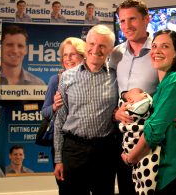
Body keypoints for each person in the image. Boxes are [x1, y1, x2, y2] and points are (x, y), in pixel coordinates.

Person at [109, 0, 176, 195]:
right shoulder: (115, 54)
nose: (127, 26)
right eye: (122, 21)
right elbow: (112, 95)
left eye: (132, 19)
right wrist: (115, 112)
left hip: (158, 155)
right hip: (126, 145)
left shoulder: (162, 54)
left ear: (147, 19)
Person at [122, 29, 176, 195]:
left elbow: (154, 130)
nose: (156, 51)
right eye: (154, 46)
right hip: (159, 175)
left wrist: (131, 158)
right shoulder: (161, 88)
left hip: (175, 175)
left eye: (165, 46)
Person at [53, 24, 118, 195]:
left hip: (104, 151)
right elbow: (60, 120)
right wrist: (58, 160)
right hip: (73, 150)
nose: (95, 49)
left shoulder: (116, 77)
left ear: (110, 49)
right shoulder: (67, 77)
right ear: (86, 44)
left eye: (102, 45)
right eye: (92, 44)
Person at [41, 37, 86, 195]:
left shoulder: (92, 79)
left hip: (86, 143)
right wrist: (55, 106)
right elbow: (45, 111)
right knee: (66, 188)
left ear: (83, 56)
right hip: (62, 142)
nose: (68, 59)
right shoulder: (56, 80)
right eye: (65, 55)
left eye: (72, 54)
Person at [119, 88, 160, 195]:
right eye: (141, 93)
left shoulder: (142, 104)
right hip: (136, 144)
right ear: (130, 100)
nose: (145, 94)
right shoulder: (134, 106)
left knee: (144, 178)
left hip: (142, 148)